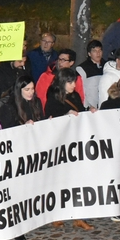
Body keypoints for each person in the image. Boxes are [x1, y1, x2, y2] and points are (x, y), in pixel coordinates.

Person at [44, 67, 95, 230]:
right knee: (61, 180)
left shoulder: (75, 95)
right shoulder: (53, 96)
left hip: (76, 141)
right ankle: (57, 214)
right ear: (62, 82)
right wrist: (66, 115)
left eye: (74, 81)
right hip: (61, 144)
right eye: (70, 82)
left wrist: (89, 110)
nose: (73, 85)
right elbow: (50, 118)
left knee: (79, 180)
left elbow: (80, 111)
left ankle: (80, 216)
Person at [76, 40, 105, 109]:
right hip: (90, 108)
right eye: (94, 51)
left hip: (104, 106)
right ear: (89, 53)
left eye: (99, 50)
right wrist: (87, 106)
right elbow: (80, 90)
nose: (98, 53)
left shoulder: (107, 66)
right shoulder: (82, 68)